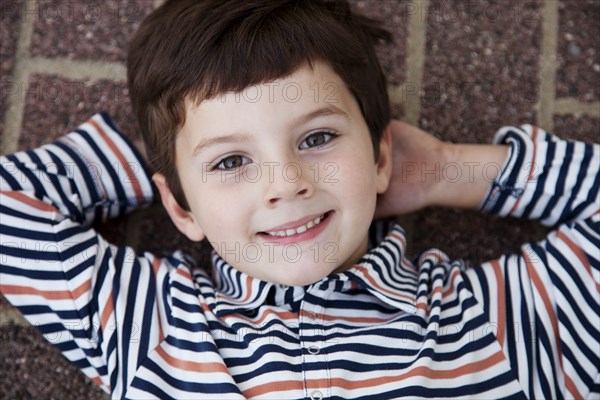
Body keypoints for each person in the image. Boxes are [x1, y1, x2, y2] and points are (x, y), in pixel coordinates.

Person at [1, 0, 598, 398]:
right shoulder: (148, 322)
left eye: (317, 138)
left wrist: (449, 170)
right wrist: (161, 156)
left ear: (380, 156)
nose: (285, 182)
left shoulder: (499, 322)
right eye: (231, 161)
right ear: (180, 209)